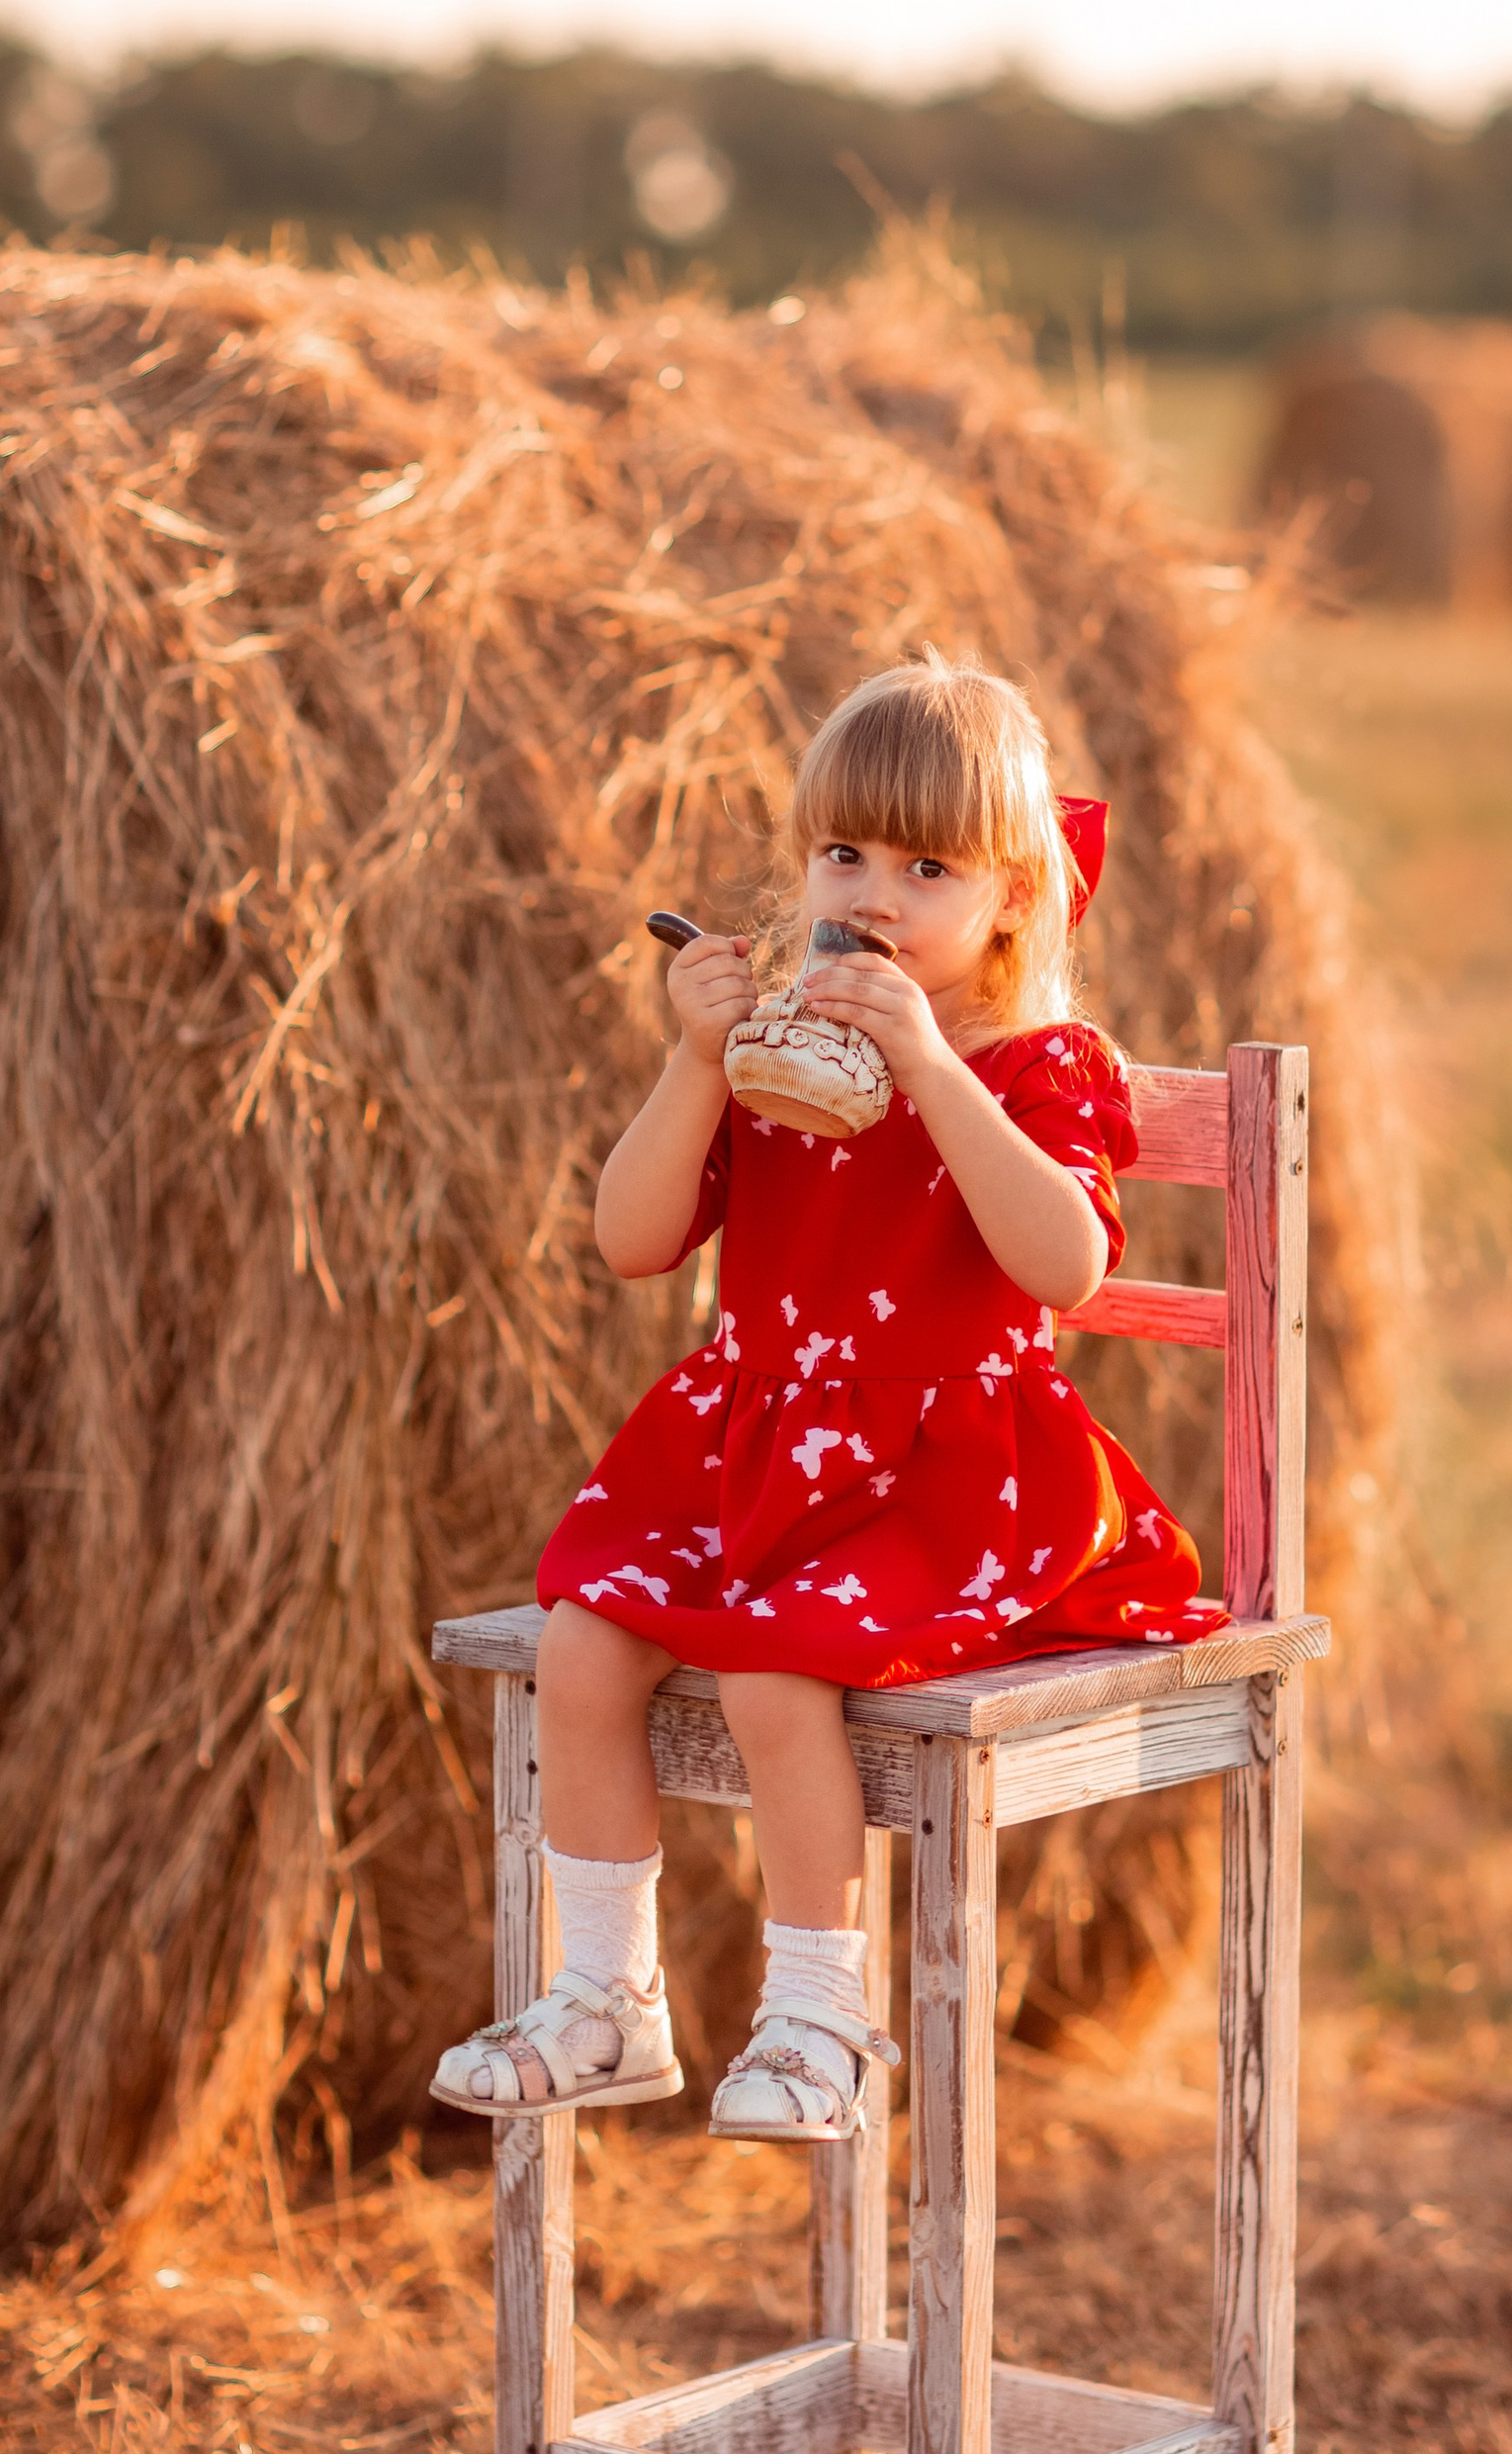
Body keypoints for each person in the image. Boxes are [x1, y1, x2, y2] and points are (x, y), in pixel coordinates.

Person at [430, 657, 1224, 2146]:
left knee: (772, 1673)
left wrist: (927, 1064)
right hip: (761, 1454)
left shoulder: (1041, 1067)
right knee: (583, 1645)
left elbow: (1063, 1264)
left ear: (1012, 899)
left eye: (928, 869)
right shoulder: (779, 1055)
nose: (874, 894)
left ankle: (820, 2018)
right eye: (844, 854)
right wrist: (696, 1060)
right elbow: (632, 1240)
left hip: (948, 1478)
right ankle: (605, 2000)